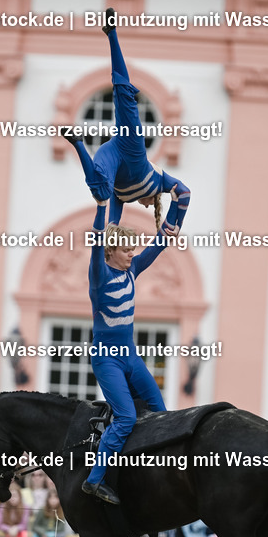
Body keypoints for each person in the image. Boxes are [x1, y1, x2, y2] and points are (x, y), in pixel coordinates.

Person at [81, 199, 182, 505]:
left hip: (130, 356)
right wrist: (102, 205)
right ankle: (94, 480)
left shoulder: (132, 270)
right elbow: (98, 239)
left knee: (160, 412)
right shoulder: (100, 278)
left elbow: (158, 245)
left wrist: (178, 208)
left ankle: (153, 474)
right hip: (107, 360)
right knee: (125, 417)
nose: (132, 254)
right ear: (111, 251)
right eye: (126, 250)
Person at [63, 8, 191, 232]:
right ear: (152, 201)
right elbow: (184, 192)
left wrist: (107, 241)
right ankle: (112, 33)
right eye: (148, 205)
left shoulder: (123, 198)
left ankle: (78, 142)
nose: (144, 205)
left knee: (102, 193)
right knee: (123, 97)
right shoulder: (160, 183)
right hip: (130, 149)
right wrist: (174, 223)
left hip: (111, 154)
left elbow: (112, 223)